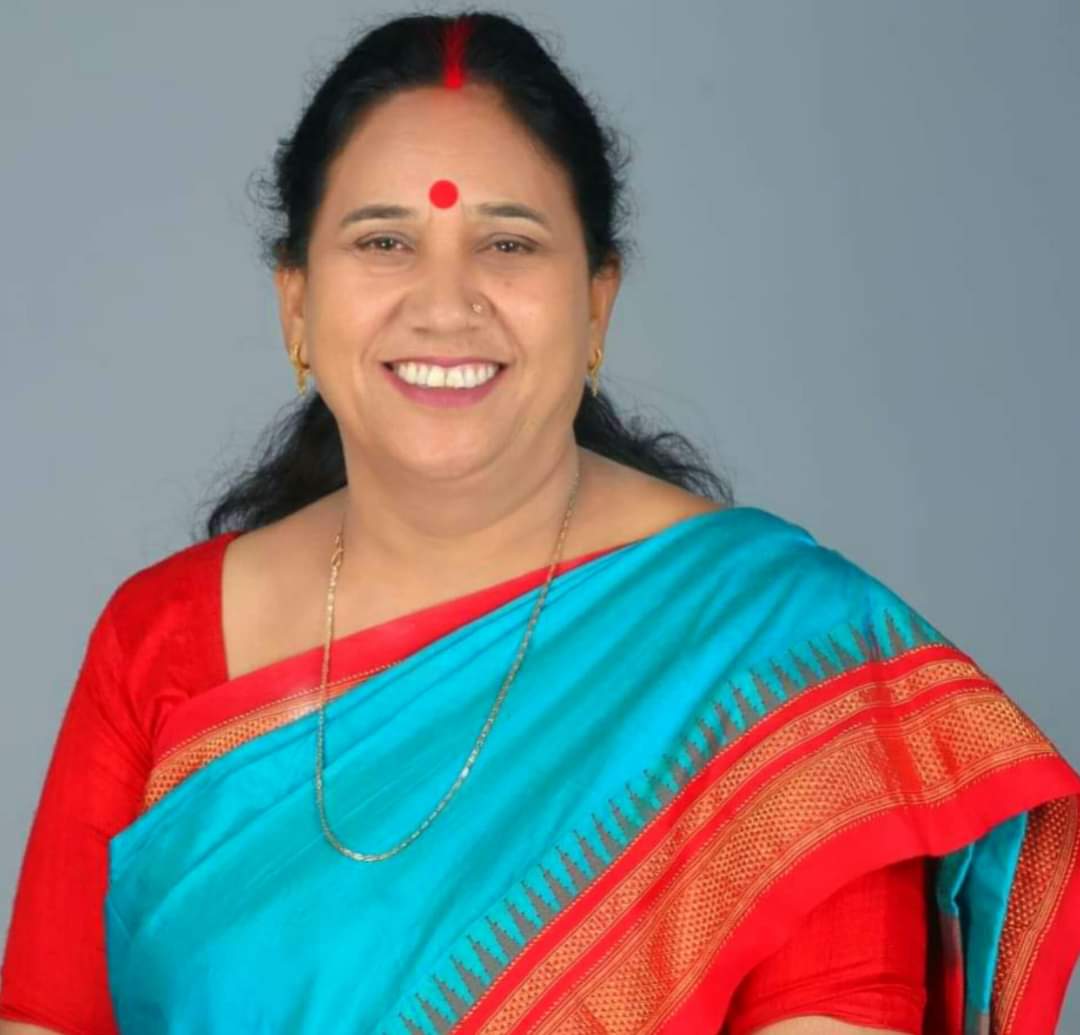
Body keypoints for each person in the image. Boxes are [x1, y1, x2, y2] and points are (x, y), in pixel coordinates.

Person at [1, 10, 1078, 1034]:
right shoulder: (159, 642)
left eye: (509, 245)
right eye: (384, 242)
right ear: (297, 306)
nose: (445, 303)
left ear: (597, 302)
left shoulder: (774, 666)